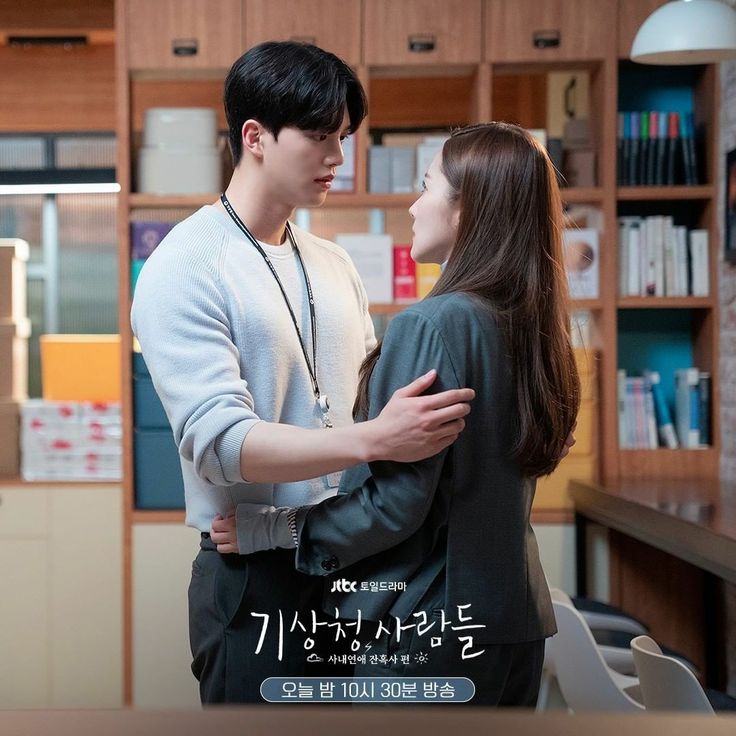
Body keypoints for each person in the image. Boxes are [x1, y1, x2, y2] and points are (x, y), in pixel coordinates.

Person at [130, 41, 475, 705]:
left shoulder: (334, 262)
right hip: (253, 574)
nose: (338, 159)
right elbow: (221, 445)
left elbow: (373, 397)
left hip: (353, 558)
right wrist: (372, 440)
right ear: (254, 136)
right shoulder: (185, 265)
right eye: (319, 136)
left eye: (342, 137)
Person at [212, 122, 581, 706]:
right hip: (513, 622)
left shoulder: (431, 325)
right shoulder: (534, 325)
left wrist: (272, 529)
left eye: (427, 186)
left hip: (430, 623)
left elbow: (396, 503)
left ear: (467, 209)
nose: (413, 205)